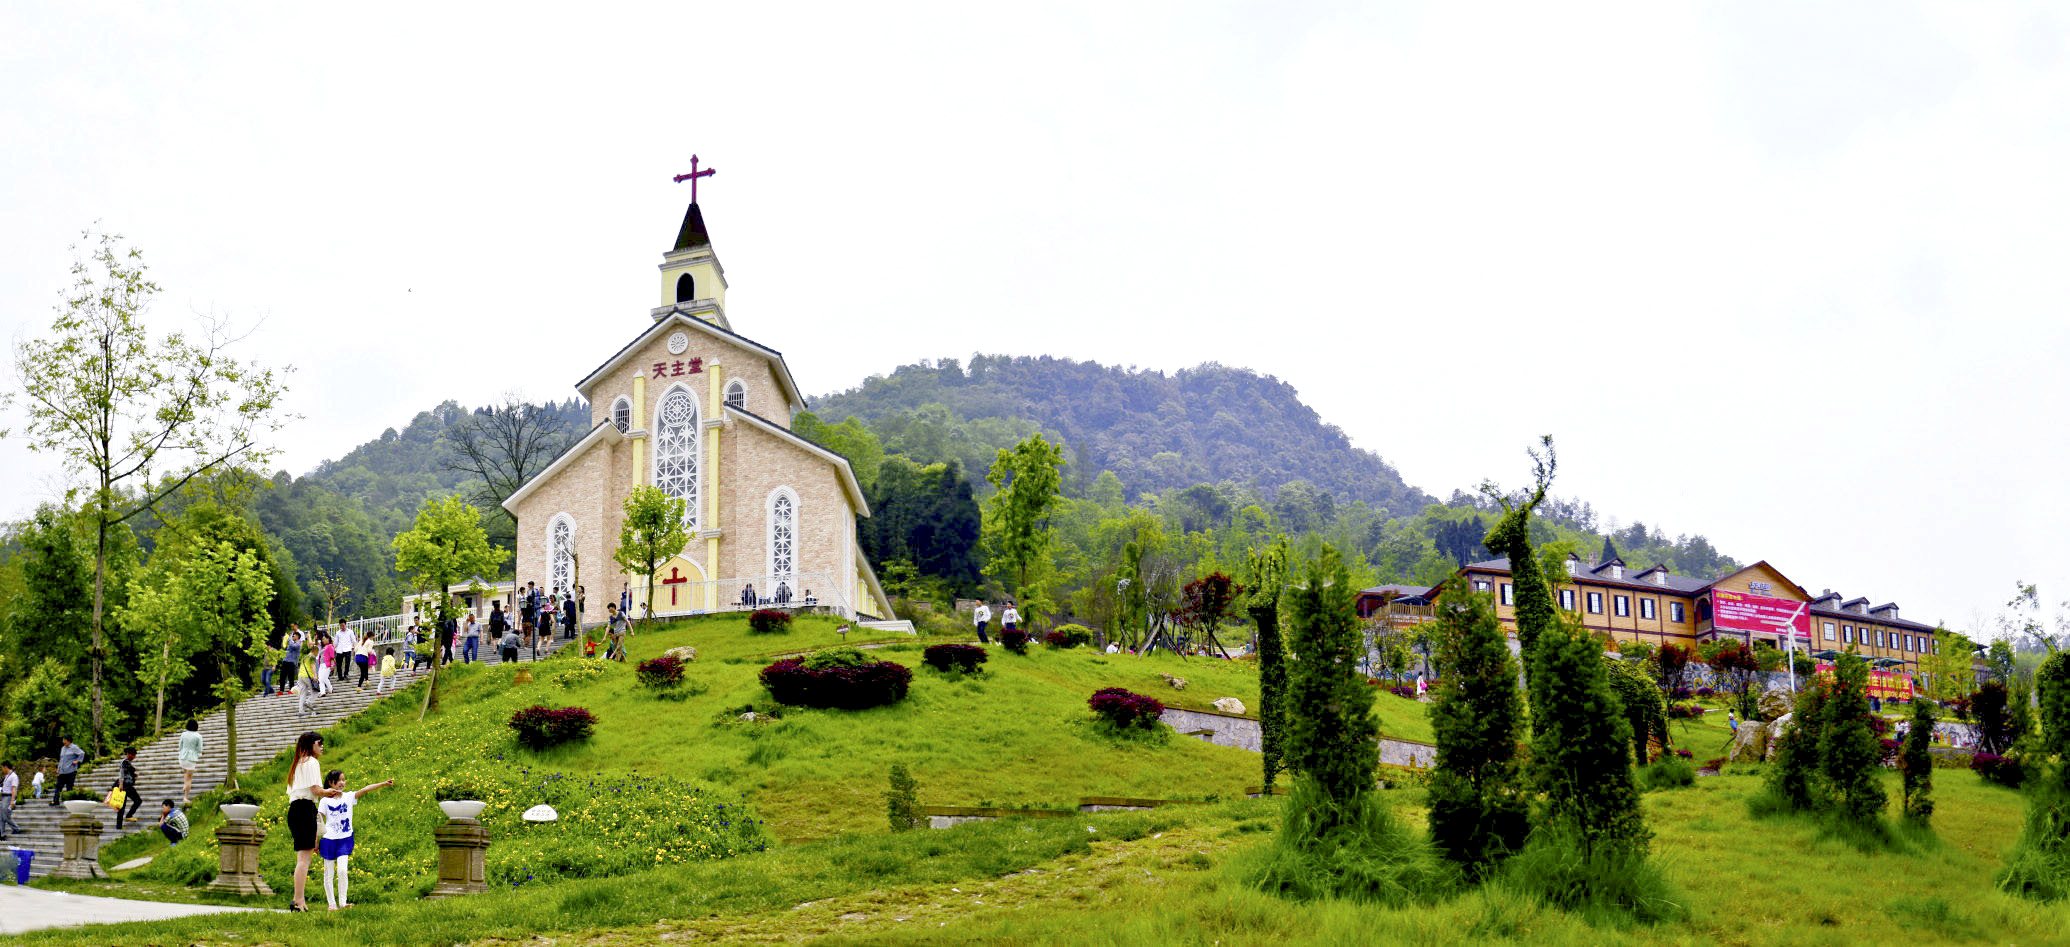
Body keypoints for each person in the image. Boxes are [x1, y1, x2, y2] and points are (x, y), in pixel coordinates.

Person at [319, 769, 393, 911]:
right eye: (339, 780)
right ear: (330, 782)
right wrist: (316, 841)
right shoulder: (324, 800)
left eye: (344, 779)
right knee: (328, 873)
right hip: (328, 839)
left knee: (342, 870)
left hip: (345, 839)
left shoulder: (348, 797)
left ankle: (343, 902)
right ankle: (332, 904)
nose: (342, 782)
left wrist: (383, 784)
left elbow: (365, 790)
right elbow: (319, 821)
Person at [286, 732, 340, 912]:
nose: (322, 746)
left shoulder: (297, 765)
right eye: (319, 743)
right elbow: (315, 790)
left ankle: (298, 900)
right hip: (304, 809)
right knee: (304, 859)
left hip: (295, 810)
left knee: (302, 858)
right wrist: (330, 791)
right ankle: (299, 901)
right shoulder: (312, 762)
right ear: (311, 745)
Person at [50, 736, 83, 805]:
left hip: (71, 771)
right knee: (58, 787)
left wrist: (77, 761)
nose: (63, 742)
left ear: (68, 741)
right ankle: (55, 801)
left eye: (64, 740)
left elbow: (82, 753)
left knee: (69, 787)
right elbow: (61, 759)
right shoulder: (63, 748)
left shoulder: (74, 747)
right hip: (62, 771)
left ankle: (69, 802)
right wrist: (58, 769)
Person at [178, 718, 204, 802]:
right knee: (189, 778)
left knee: (185, 773)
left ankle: (185, 786)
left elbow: (180, 746)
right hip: (191, 758)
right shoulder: (198, 736)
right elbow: (200, 749)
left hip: (182, 757)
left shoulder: (183, 734)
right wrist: (198, 754)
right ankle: (185, 797)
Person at [115, 747, 142, 829]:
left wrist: (134, 775)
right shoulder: (124, 762)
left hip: (128, 786)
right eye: (133, 755)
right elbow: (121, 773)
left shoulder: (128, 763)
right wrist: (121, 784)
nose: (134, 757)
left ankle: (128, 816)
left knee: (137, 800)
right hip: (124, 786)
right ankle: (119, 825)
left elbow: (129, 773)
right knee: (122, 806)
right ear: (129, 754)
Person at [279, 628, 303, 699]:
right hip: (285, 661)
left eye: (294, 636)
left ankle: (291, 690)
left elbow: (294, 646)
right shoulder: (291, 642)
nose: (292, 637)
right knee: (282, 676)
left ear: (297, 637)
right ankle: (281, 690)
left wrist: (289, 639)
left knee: (291, 677)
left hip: (292, 662)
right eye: (292, 636)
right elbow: (284, 647)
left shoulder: (298, 643)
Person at [0, 761, 21, 840]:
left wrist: (12, 801)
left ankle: (16, 828)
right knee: (1, 817)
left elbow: (14, 789)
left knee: (6, 816)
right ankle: (2, 834)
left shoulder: (14, 776)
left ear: (5, 767)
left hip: (8, 798)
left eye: (2, 767)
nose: (2, 769)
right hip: (4, 797)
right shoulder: (7, 776)